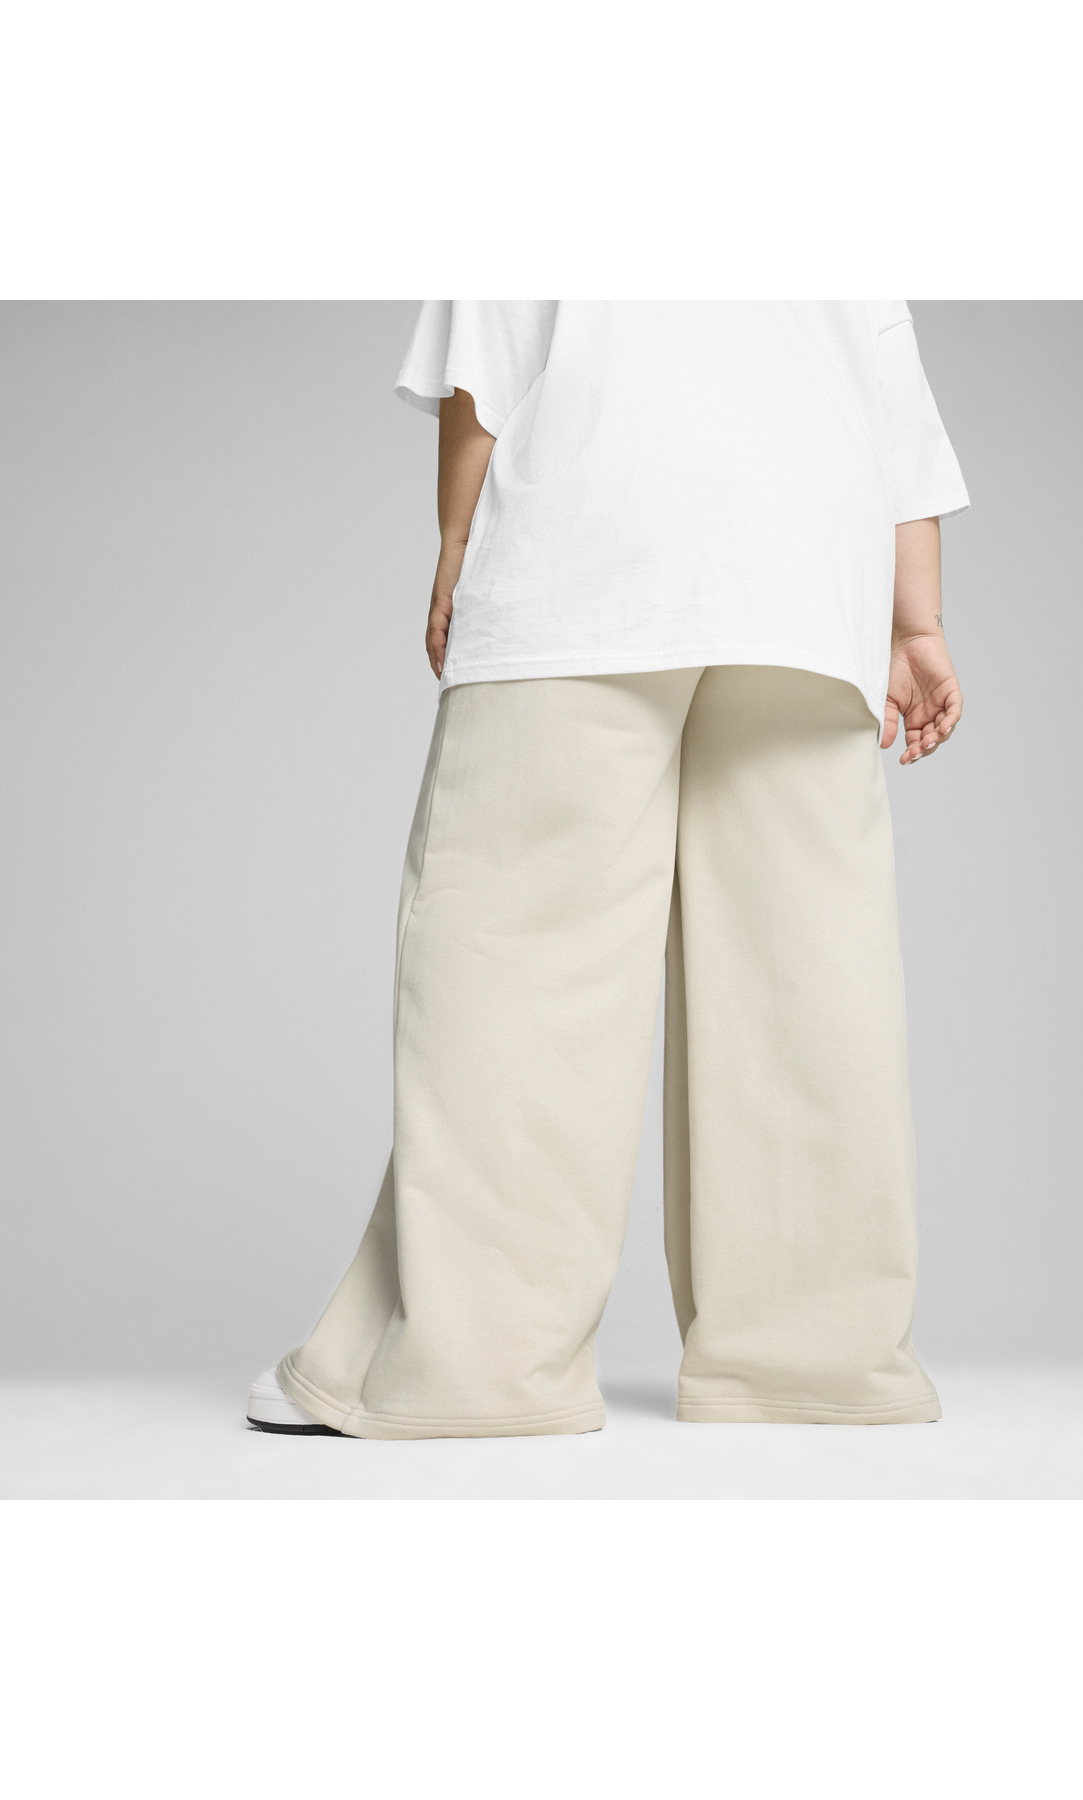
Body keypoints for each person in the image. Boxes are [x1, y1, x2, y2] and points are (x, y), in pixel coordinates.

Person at [246, 301, 969, 1439]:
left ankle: (476, 1370)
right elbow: (894, 411)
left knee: (523, 970)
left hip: (588, 552)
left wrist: (456, 543)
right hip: (808, 578)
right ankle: (818, 1363)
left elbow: (487, 364)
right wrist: (914, 620)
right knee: (805, 978)